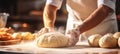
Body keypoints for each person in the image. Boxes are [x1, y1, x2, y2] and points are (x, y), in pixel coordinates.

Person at [37, 0, 118, 46]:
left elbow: (104, 9)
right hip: (72, 29)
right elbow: (50, 6)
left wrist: (79, 29)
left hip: (103, 31)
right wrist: (49, 27)